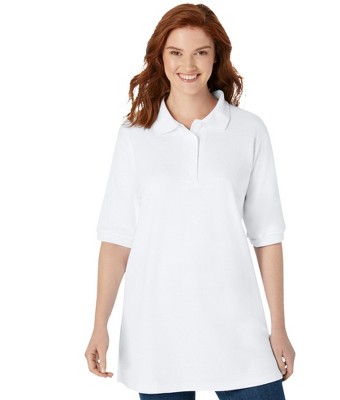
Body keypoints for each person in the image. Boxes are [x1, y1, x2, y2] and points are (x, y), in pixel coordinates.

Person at [84, 3, 295, 400]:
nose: (188, 65)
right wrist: (100, 325)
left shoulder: (248, 130)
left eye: (200, 52)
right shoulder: (135, 135)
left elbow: (268, 236)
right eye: (176, 52)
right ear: (160, 58)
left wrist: (279, 326)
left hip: (237, 325)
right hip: (156, 329)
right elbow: (116, 239)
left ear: (216, 57)